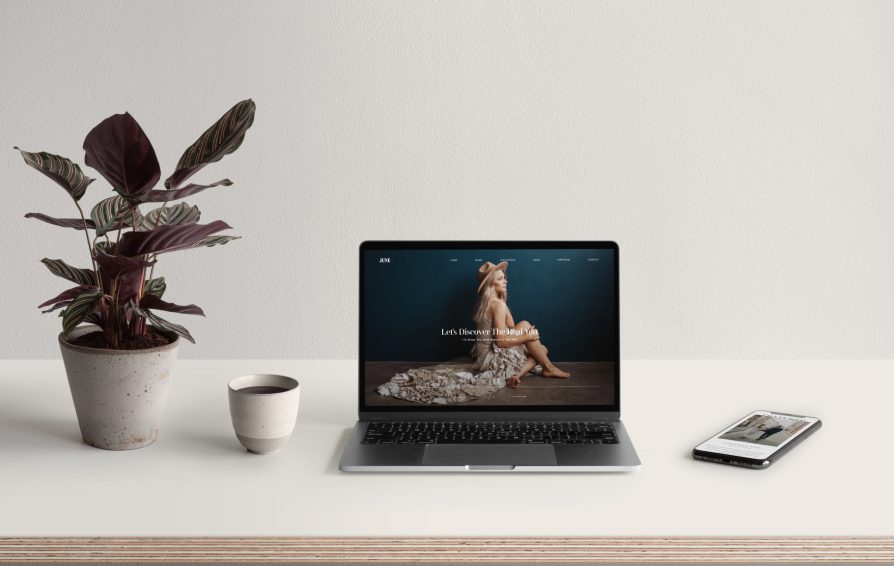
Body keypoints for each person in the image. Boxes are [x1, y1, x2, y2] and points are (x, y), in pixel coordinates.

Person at [471, 261, 571, 388]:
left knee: (540, 348)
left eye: (504, 278)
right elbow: (500, 342)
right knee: (539, 349)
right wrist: (528, 337)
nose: (505, 281)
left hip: (482, 356)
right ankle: (547, 368)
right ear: (490, 283)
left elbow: (511, 327)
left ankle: (522, 374)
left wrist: (503, 301)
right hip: (492, 357)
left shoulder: (490, 302)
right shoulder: (497, 305)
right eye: (500, 279)